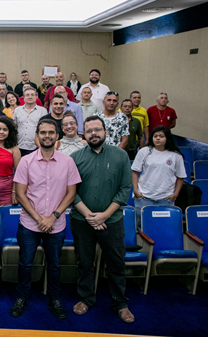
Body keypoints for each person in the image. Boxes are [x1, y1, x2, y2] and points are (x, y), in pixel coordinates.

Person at [10, 118, 81, 319]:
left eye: (51, 132)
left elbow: (71, 193)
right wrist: (40, 218)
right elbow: (20, 194)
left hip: (56, 224)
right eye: (43, 132)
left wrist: (53, 216)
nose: (47, 136)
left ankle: (54, 298)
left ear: (57, 136)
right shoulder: (26, 161)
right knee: (25, 263)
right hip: (29, 224)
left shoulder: (68, 162)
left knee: (55, 264)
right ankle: (22, 297)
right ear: (37, 136)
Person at [69, 115, 134, 324]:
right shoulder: (75, 158)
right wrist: (89, 215)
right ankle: (86, 298)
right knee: (84, 262)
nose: (93, 134)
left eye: (97, 129)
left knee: (116, 262)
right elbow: (71, 191)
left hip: (112, 220)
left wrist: (105, 215)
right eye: (89, 131)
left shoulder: (121, 155)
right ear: (84, 134)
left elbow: (125, 189)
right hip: (81, 220)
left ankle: (120, 303)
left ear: (105, 132)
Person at [132, 125, 186, 229]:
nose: (157, 138)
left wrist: (175, 194)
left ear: (167, 138)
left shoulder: (176, 156)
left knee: (164, 227)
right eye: (155, 136)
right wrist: (135, 191)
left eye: (161, 136)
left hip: (165, 198)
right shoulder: (144, 151)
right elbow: (135, 172)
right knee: (142, 227)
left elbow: (180, 177)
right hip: (144, 197)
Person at [13, 87, 47, 157]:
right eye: (27, 95)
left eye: (32, 95)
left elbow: (44, 129)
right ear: (24, 97)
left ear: (36, 97)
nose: (30, 97)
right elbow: (15, 126)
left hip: (35, 146)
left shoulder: (43, 111)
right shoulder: (17, 110)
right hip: (20, 145)